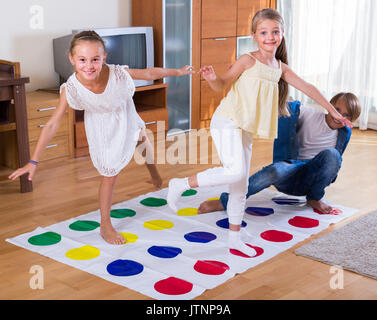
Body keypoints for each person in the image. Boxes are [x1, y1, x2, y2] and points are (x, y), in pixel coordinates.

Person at [166, 8, 352, 257]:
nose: (270, 37)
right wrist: (211, 78)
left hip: (244, 128)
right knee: (236, 171)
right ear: (254, 35)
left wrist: (334, 111)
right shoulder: (248, 60)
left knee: (239, 185)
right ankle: (180, 183)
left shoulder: (280, 68)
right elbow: (222, 84)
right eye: (264, 32)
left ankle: (234, 240)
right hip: (227, 121)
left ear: (282, 34)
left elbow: (309, 88)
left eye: (275, 31)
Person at [8, 30, 194, 245]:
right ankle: (105, 224)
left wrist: (179, 71)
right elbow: (52, 124)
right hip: (102, 126)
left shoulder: (118, 73)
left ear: (104, 58)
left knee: (142, 137)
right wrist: (33, 161)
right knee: (110, 173)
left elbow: (149, 73)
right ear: (71, 59)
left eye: (95, 59)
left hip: (124, 112)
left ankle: (155, 176)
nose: (89, 65)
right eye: (82, 60)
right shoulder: (70, 89)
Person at [198, 92, 361, 215]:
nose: (339, 116)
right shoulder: (310, 114)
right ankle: (227, 201)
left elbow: (331, 167)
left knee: (333, 156)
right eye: (337, 110)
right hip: (289, 173)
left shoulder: (344, 133)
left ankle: (315, 198)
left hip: (310, 180)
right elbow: (287, 108)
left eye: (346, 115)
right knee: (276, 169)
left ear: (351, 119)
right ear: (329, 106)